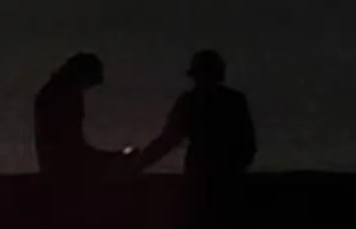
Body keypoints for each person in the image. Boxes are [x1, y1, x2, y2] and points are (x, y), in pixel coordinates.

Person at [126, 49, 257, 185]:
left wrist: (138, 165)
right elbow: (248, 143)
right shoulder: (234, 100)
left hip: (201, 172)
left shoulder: (191, 101)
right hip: (227, 174)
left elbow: (168, 140)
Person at [31, 52, 111, 179]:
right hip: (65, 172)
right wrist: (110, 160)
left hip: (57, 168)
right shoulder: (64, 96)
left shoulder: (54, 92)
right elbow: (71, 148)